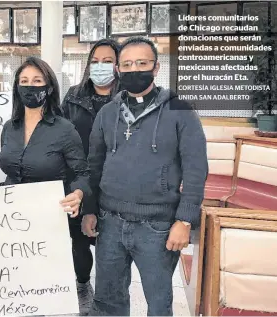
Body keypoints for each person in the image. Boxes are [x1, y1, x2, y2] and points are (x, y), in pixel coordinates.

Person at [83, 36, 208, 316]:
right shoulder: (107, 113)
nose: (133, 69)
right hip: (110, 223)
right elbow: (95, 165)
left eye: (142, 63)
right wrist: (90, 210)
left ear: (156, 67)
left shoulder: (181, 111)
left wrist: (184, 220)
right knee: (107, 301)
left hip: (158, 227)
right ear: (118, 70)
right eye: (126, 64)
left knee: (158, 303)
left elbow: (196, 170)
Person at [0, 57, 92, 294]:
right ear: (17, 88)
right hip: (13, 219)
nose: (30, 86)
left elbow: (82, 172)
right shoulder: (10, 127)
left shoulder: (63, 129)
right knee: (18, 283)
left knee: (44, 288)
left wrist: (79, 193)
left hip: (50, 221)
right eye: (24, 81)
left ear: (49, 87)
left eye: (37, 80)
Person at [61, 38, 120, 315]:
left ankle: (110, 295)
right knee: (79, 241)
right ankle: (83, 285)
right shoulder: (73, 96)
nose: (101, 67)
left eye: (108, 61)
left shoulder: (127, 98)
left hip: (116, 183)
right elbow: (59, 132)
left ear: (118, 65)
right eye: (95, 61)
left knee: (111, 243)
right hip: (78, 181)